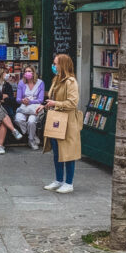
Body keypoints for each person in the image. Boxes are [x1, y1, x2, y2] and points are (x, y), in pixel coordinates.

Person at [38, 53, 82, 193]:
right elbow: (52, 98)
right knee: (57, 151)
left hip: (68, 120)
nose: (53, 65)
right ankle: (58, 180)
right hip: (56, 119)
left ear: (62, 65)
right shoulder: (56, 79)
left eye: (56, 63)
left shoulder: (71, 82)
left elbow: (72, 102)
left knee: (68, 152)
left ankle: (69, 183)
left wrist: (55, 103)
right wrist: (44, 105)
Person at [15, 66, 45, 150]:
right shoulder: (21, 83)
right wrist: (22, 100)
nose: (27, 73)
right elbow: (17, 99)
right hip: (24, 107)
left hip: (34, 108)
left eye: (29, 71)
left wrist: (30, 101)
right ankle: (33, 135)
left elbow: (41, 99)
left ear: (33, 72)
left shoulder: (40, 83)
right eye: (26, 71)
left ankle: (31, 140)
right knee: (18, 119)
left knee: (31, 122)